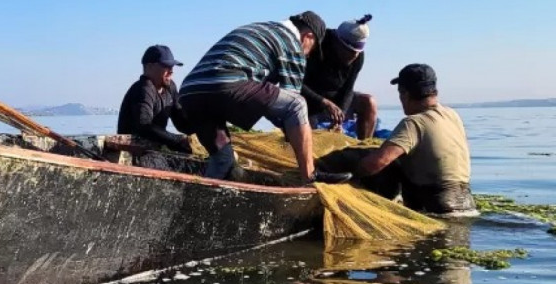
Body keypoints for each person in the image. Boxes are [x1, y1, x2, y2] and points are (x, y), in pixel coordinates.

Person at [179, 12, 351, 184]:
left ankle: (200, 199)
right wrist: (302, 140)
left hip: (190, 91)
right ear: (308, 36)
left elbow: (267, 101)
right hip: (226, 83)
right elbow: (292, 103)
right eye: (312, 49)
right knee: (298, 104)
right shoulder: (292, 42)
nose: (308, 55)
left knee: (223, 159)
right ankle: (310, 175)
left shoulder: (261, 29)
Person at [353, 63, 475, 214]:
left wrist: (351, 174)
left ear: (405, 94)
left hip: (437, 207)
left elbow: (376, 163)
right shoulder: (452, 115)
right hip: (467, 203)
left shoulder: (414, 123)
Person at [301, 14, 378, 139]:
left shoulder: (358, 58)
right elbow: (296, 83)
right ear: (337, 42)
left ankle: (363, 147)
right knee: (305, 127)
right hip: (308, 100)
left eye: (355, 53)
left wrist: (340, 116)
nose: (352, 57)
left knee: (369, 102)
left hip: (335, 100)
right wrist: (323, 102)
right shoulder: (316, 46)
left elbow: (348, 89)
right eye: (348, 51)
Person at [116, 45, 194, 166]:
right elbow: (144, 126)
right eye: (166, 66)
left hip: (155, 149)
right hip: (136, 152)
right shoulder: (144, 89)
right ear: (149, 67)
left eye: (172, 66)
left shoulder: (170, 87)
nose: (171, 71)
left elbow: (182, 123)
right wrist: (176, 140)